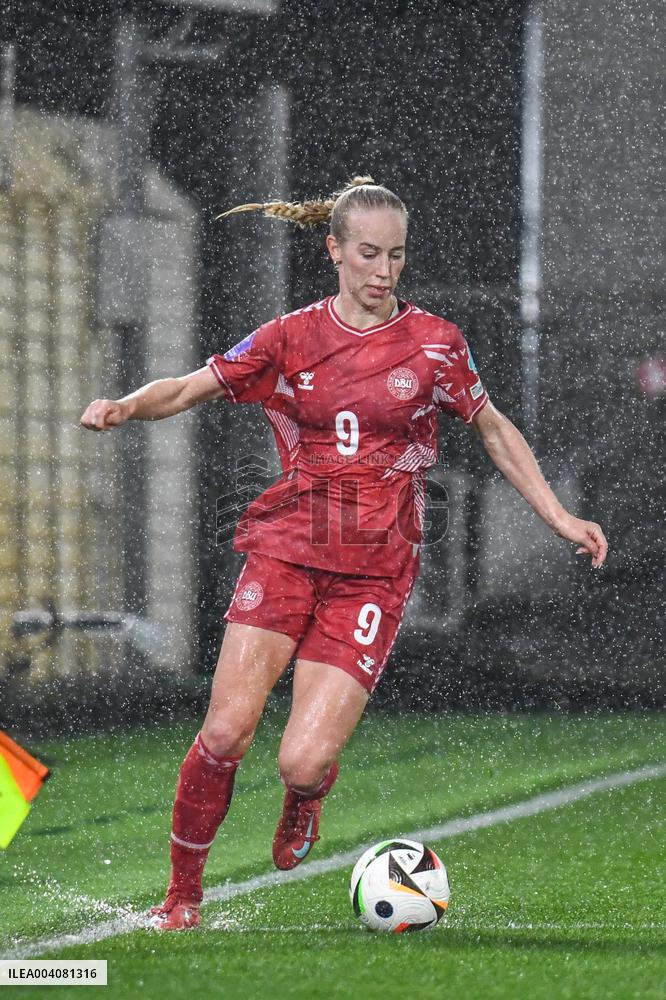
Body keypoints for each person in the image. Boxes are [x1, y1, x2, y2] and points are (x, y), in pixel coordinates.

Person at [80, 176, 608, 931]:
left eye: (395, 255)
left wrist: (557, 513)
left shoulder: (435, 343)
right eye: (367, 253)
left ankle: (304, 799)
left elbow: (491, 426)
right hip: (286, 552)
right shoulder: (290, 337)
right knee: (226, 730)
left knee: (299, 760)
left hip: (373, 574)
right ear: (333, 250)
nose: (383, 270)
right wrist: (127, 406)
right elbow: (193, 386)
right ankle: (182, 896)